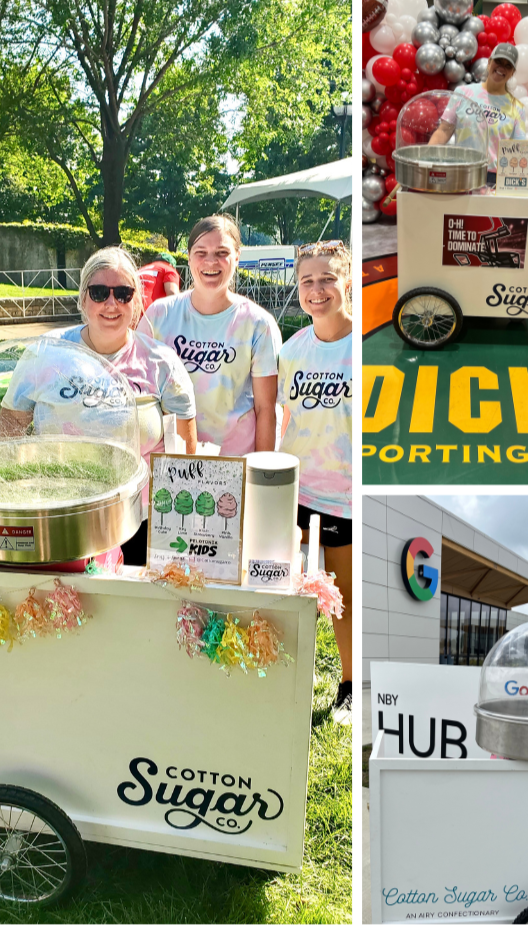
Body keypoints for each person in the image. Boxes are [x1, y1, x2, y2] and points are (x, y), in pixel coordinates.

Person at [0, 246, 197, 563]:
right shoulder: (46, 353)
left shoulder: (162, 363)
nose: (111, 303)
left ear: (137, 301)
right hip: (60, 516)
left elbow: (185, 452)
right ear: (83, 299)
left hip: (141, 521)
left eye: (123, 293)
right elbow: (8, 432)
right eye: (99, 292)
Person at [277, 240, 353, 716]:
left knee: (343, 600)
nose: (317, 289)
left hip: (345, 498)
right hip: (297, 495)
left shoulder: (364, 347)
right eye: (307, 280)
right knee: (290, 593)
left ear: (348, 281)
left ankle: (349, 685)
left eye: (327, 278)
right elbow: (285, 418)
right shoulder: (291, 352)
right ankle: (283, 682)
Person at [138, 214, 280, 456]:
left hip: (235, 462)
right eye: (201, 252)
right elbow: (141, 396)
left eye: (222, 253)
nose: (211, 262)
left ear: (237, 256)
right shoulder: (158, 316)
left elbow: (265, 409)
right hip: (175, 462)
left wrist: (261, 471)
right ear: (189, 256)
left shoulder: (258, 324)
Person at [428, 43, 527, 186]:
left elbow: (520, 151)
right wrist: (426, 159)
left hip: (495, 181)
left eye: (508, 65)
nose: (501, 68)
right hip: (461, 174)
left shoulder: (517, 108)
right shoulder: (463, 93)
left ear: (512, 73)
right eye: (498, 61)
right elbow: (443, 130)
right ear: (489, 63)